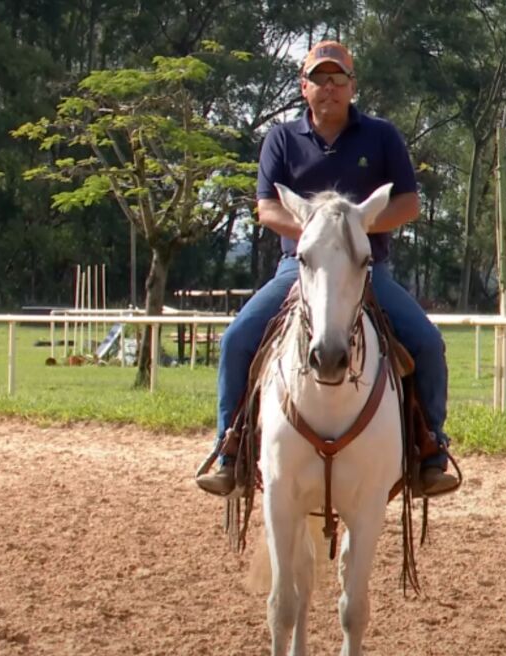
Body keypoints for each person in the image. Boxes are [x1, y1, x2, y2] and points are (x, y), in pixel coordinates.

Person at [196, 40, 458, 498]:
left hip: (368, 268)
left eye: (338, 79)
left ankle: (430, 448)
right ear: (304, 87)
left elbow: (409, 203)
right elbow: (266, 210)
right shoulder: (280, 139)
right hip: (297, 270)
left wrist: (353, 233)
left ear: (352, 87)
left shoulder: (382, 136)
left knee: (428, 343)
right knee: (238, 339)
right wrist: (320, 236)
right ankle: (229, 446)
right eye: (319, 78)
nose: (329, 88)